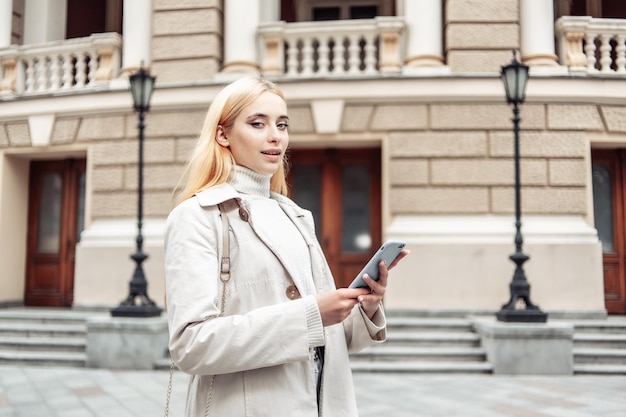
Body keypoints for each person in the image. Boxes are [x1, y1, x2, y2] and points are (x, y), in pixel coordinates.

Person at [164, 76, 408, 417]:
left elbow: (330, 339)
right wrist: (310, 315)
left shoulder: (296, 216)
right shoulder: (197, 216)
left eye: (281, 124)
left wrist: (365, 305)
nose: (275, 135)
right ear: (223, 135)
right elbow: (191, 345)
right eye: (257, 123)